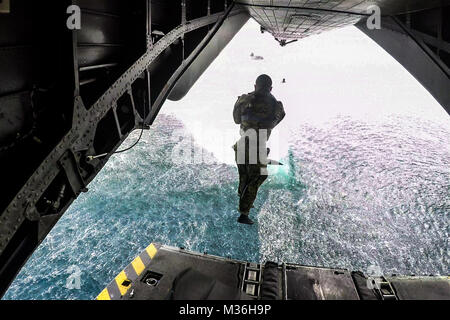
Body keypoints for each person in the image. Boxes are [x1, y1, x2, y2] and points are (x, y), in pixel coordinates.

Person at [232, 74, 285, 225]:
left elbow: (236, 119)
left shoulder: (244, 99)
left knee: (245, 176)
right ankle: (244, 213)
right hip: (257, 146)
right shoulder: (276, 105)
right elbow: (273, 123)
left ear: (255, 86)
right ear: (270, 88)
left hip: (241, 145)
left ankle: (244, 198)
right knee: (258, 177)